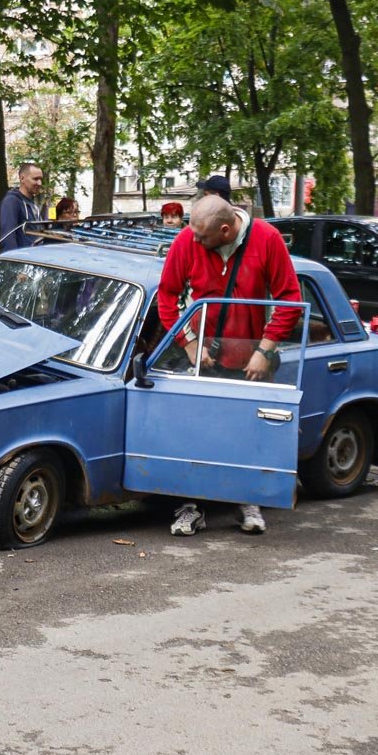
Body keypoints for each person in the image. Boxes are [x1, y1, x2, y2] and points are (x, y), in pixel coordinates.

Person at [156, 195, 303, 534]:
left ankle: (247, 500)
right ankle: (191, 507)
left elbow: (290, 300)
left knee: (246, 432)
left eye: (201, 237)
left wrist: (264, 351)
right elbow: (167, 296)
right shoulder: (186, 240)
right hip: (201, 361)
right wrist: (189, 344)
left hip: (249, 359)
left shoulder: (267, 240)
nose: (192, 240)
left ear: (225, 231)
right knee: (193, 433)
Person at [0, 163, 46, 252]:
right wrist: (14, 263)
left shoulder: (33, 205)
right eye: (35, 179)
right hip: (23, 262)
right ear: (22, 178)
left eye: (40, 179)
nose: (39, 183)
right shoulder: (12, 201)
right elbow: (8, 238)